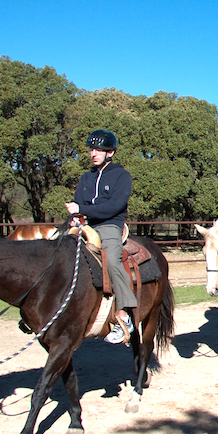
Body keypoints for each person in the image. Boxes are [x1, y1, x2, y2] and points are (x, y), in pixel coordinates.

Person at [65, 129, 136, 345]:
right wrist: (76, 216)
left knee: (113, 260)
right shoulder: (86, 177)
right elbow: (79, 202)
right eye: (92, 149)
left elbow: (115, 206)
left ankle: (124, 316)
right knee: (57, 250)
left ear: (111, 152)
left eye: (99, 150)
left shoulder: (121, 176)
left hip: (109, 226)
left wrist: (83, 209)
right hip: (86, 226)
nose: (93, 153)